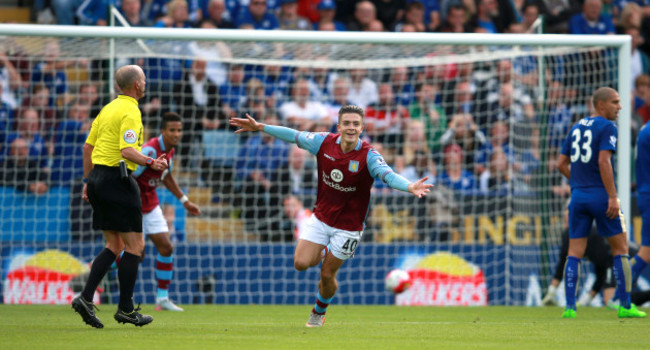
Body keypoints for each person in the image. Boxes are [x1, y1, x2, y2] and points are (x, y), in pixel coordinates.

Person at [230, 105, 433, 327]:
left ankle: (318, 313)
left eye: (356, 124)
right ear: (339, 126)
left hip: (349, 228)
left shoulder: (369, 155)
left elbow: (389, 176)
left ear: (362, 128)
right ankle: (324, 249)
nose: (351, 127)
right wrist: (261, 127)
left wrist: (410, 186)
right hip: (321, 218)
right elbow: (293, 135)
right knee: (300, 263)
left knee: (327, 275)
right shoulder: (323, 142)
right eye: (347, 123)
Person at [71, 64, 169, 328]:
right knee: (135, 247)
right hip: (118, 179)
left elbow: (87, 147)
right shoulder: (130, 111)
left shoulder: (107, 108)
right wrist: (152, 162)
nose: (145, 84)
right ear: (137, 85)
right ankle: (126, 309)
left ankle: (85, 297)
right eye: (144, 80)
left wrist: (87, 181)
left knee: (114, 245)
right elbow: (127, 150)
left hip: (98, 179)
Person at [557, 87, 646, 318]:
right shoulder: (608, 127)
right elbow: (604, 162)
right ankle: (625, 306)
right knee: (622, 249)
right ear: (601, 105)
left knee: (574, 253)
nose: (620, 107)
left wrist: (577, 184)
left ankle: (569, 308)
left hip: (578, 197)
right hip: (601, 197)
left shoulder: (576, 126)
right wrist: (612, 196)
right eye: (615, 102)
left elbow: (560, 164)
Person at [132, 112, 201, 311]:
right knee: (137, 255)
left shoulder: (169, 150)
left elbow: (166, 176)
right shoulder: (150, 151)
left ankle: (162, 299)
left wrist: (185, 201)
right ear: (163, 131)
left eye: (179, 130)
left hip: (151, 204)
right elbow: (129, 176)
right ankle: (94, 272)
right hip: (135, 206)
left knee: (166, 247)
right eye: (172, 130)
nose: (176, 134)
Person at [630, 120, 650, 285]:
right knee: (646, 252)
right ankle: (618, 293)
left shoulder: (645, 128)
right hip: (649, 194)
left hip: (645, 193)